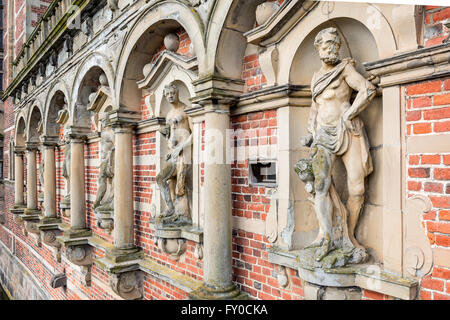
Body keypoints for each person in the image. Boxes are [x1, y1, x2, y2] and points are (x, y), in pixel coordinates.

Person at [301, 27, 376, 262]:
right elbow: (314, 108)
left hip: (347, 131)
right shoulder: (315, 77)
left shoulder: (345, 69)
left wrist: (349, 113)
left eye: (335, 44)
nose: (332, 49)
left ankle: (349, 237)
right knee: (320, 186)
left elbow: (367, 89)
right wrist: (310, 132)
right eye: (327, 45)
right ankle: (326, 236)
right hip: (322, 136)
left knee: (358, 189)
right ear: (318, 49)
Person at [156, 82, 193, 223]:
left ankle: (183, 215)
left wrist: (181, 148)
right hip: (173, 155)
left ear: (177, 93)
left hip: (184, 154)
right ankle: (170, 208)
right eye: (167, 95)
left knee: (180, 186)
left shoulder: (186, 110)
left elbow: (194, 134)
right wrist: (170, 150)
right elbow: (170, 135)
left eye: (172, 93)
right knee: (160, 178)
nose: (170, 96)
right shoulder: (169, 114)